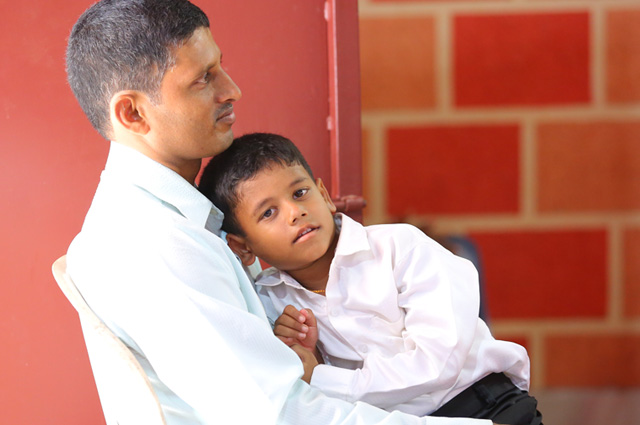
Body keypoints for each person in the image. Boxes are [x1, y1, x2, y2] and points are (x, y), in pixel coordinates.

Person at [64, 0, 503, 424]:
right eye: (203, 79)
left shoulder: (176, 223)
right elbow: (282, 415)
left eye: (220, 66)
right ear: (132, 112)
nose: (231, 90)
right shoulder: (154, 244)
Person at [197, 132, 543, 425]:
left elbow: (438, 364)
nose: (294, 212)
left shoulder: (400, 248)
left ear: (325, 195)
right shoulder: (271, 305)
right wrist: (309, 355)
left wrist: (320, 376)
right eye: (268, 212)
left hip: (485, 407)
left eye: (300, 192)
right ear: (242, 246)